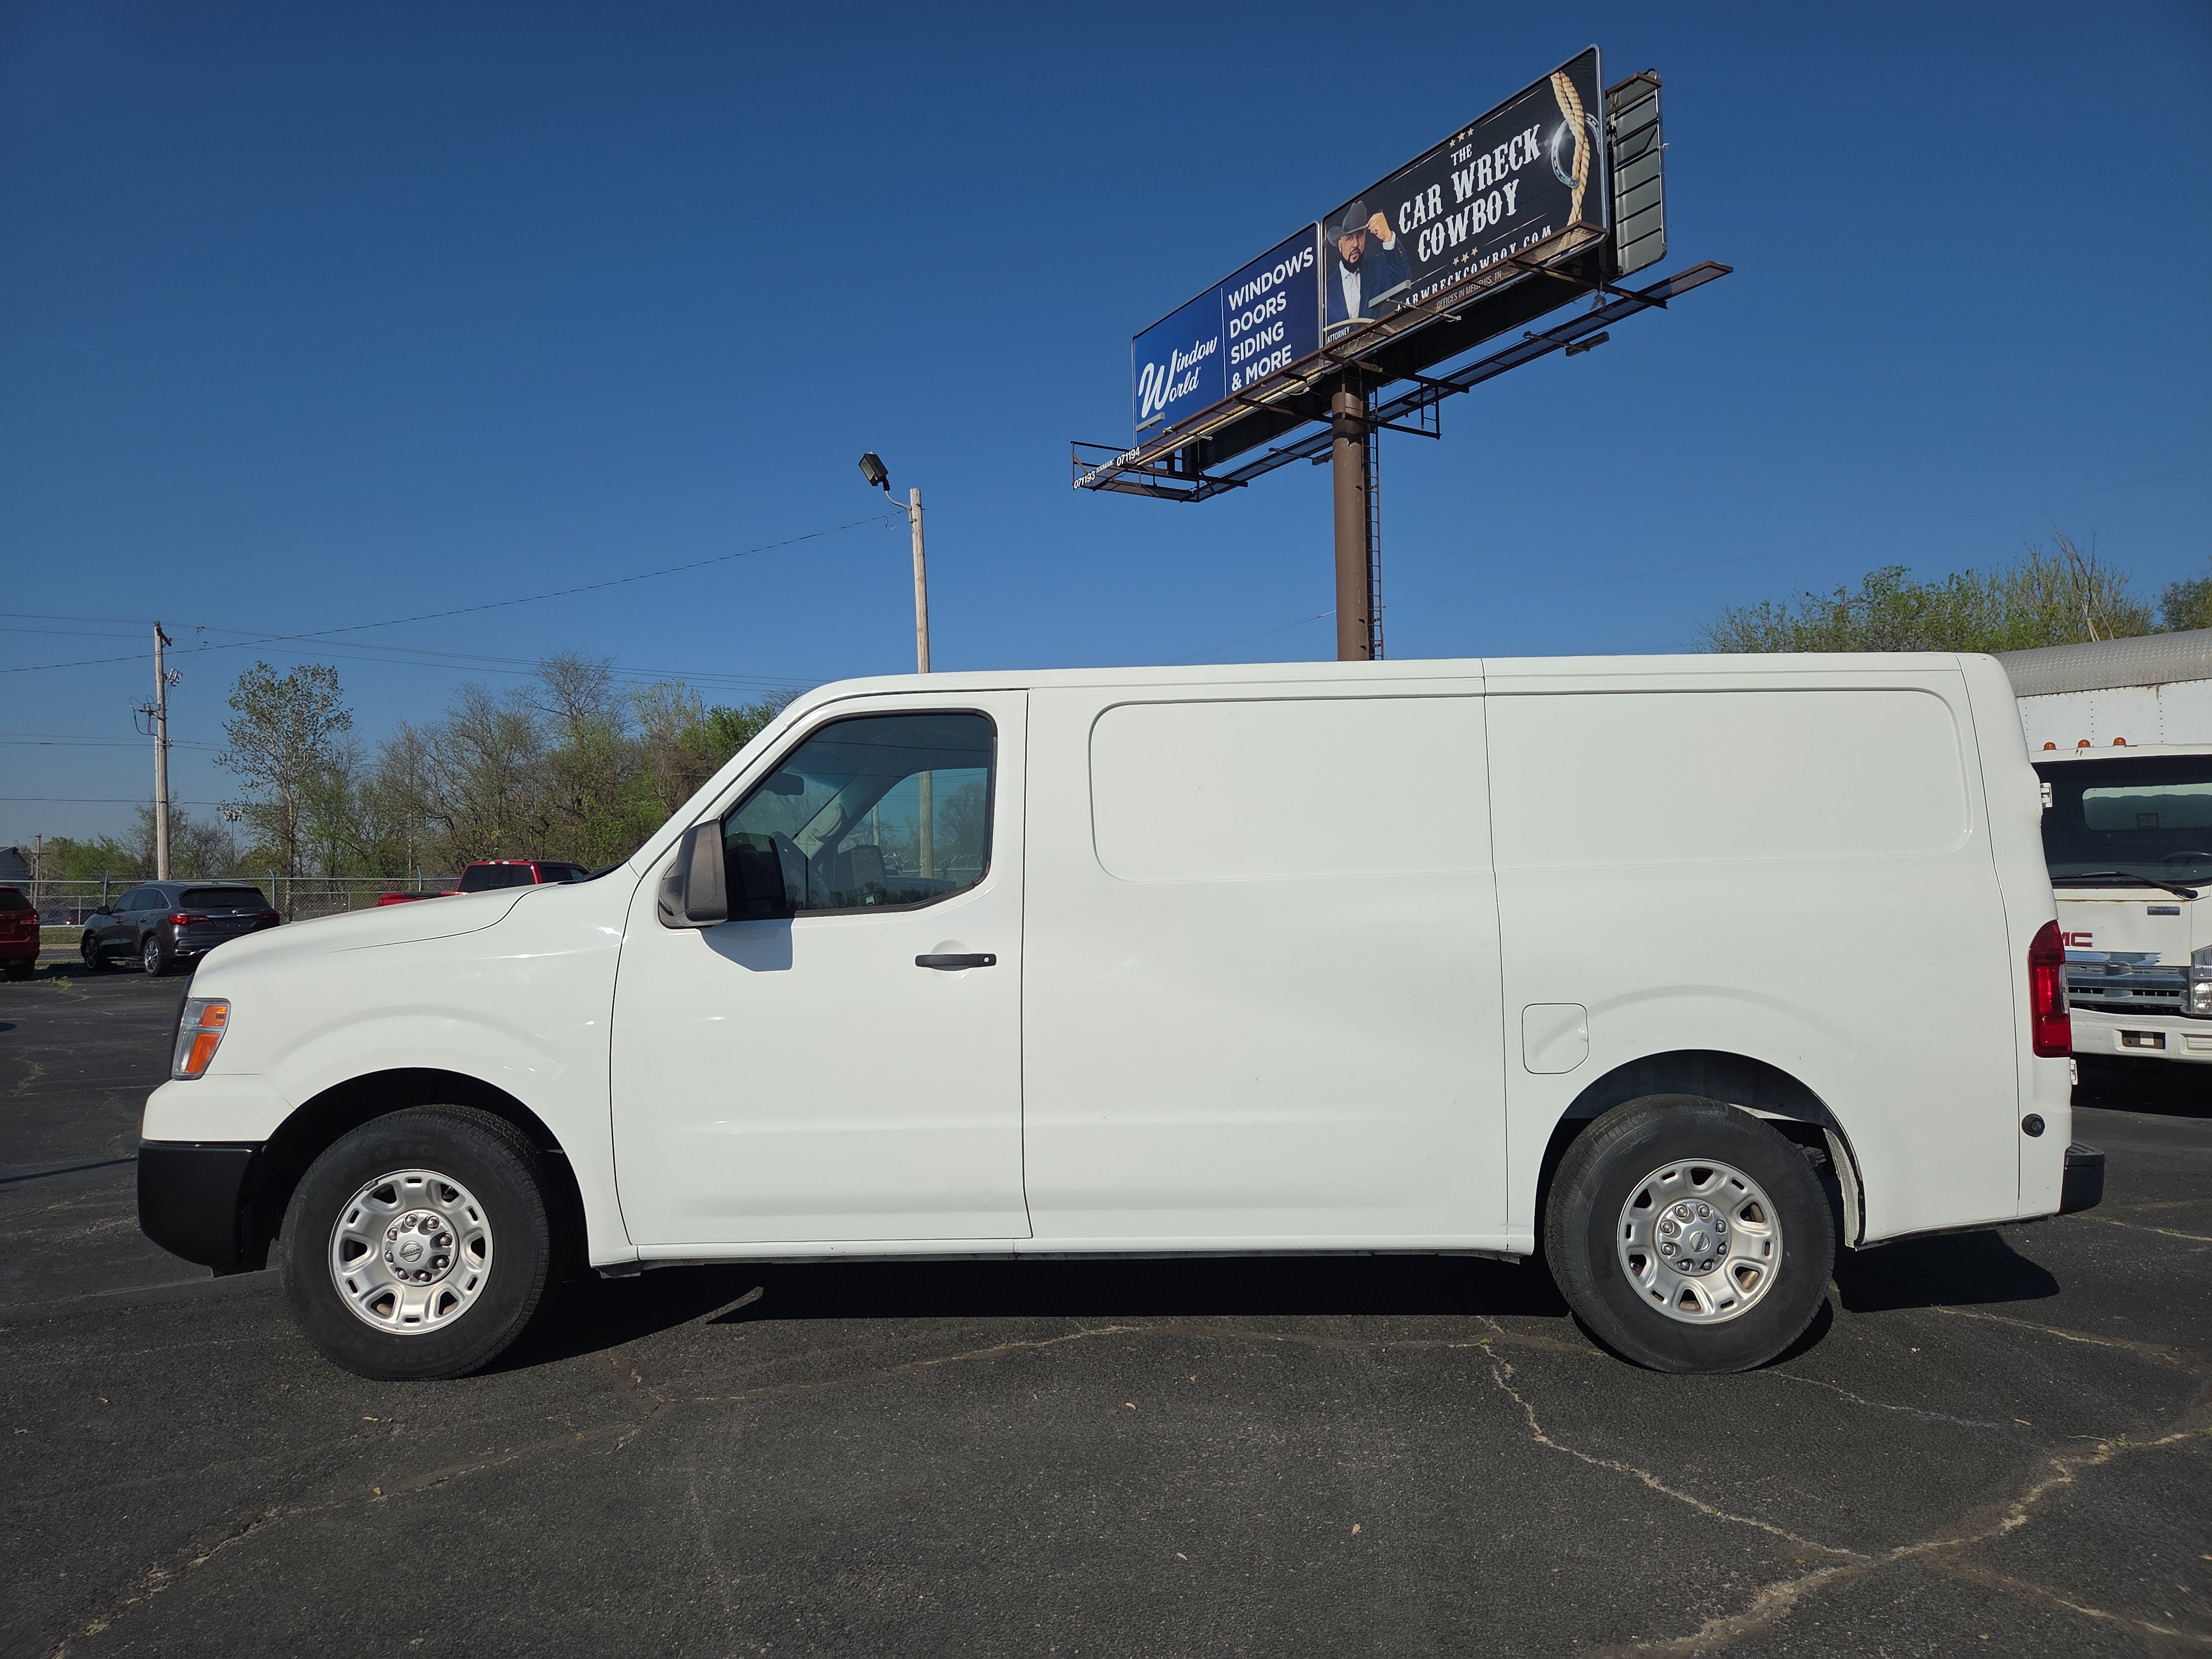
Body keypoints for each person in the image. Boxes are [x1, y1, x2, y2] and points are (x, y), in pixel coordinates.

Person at [1324, 199, 1409, 333]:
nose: (1356, 244)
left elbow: (1402, 280)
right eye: (1350, 238)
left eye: (1360, 236)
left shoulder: (1377, 267)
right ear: (1341, 245)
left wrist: (1388, 237)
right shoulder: (1326, 290)